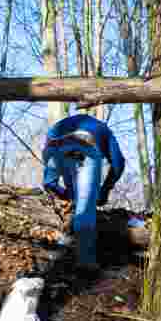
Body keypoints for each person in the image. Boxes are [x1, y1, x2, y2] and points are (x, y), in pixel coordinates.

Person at [42, 113, 126, 273]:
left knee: (52, 184)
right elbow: (118, 163)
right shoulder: (104, 130)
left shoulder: (64, 124)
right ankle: (85, 263)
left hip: (52, 145)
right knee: (85, 208)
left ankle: (68, 241)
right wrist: (105, 189)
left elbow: (50, 182)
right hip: (82, 143)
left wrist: (68, 195)